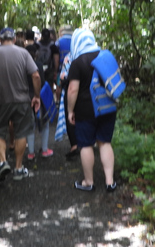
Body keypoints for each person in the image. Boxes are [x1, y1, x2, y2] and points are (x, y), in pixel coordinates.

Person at [0, 27, 41, 181]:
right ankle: (18, 168)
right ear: (14, 39)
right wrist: (36, 96)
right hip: (22, 101)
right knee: (21, 132)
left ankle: (3, 161)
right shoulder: (23, 53)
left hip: (0, 100)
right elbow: (35, 75)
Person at [66, 28, 117, 192]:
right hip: (108, 107)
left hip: (85, 110)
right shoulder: (105, 56)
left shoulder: (77, 62)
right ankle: (110, 182)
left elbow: (72, 89)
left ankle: (89, 182)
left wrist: (70, 110)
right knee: (105, 142)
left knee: (86, 144)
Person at [23, 30, 53, 159]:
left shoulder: (22, 65)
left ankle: (30, 152)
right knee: (44, 123)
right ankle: (45, 149)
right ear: (35, 54)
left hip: (25, 98)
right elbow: (42, 79)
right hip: (38, 96)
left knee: (30, 125)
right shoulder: (39, 65)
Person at [55, 26, 79, 159]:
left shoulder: (59, 44)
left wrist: (59, 82)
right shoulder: (92, 55)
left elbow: (63, 76)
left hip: (71, 89)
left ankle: (74, 145)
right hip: (87, 94)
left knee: (71, 116)